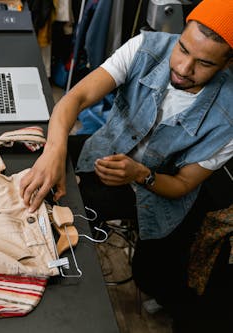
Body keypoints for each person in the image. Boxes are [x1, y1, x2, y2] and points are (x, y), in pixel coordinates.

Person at [20, 0, 232, 330]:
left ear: (226, 65)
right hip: (105, 150)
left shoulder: (229, 118)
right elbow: (74, 100)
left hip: (156, 190)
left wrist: (141, 174)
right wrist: (53, 153)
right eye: (183, 48)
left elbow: (183, 186)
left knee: (67, 210)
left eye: (203, 63)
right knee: (33, 165)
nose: (183, 68)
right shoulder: (145, 47)